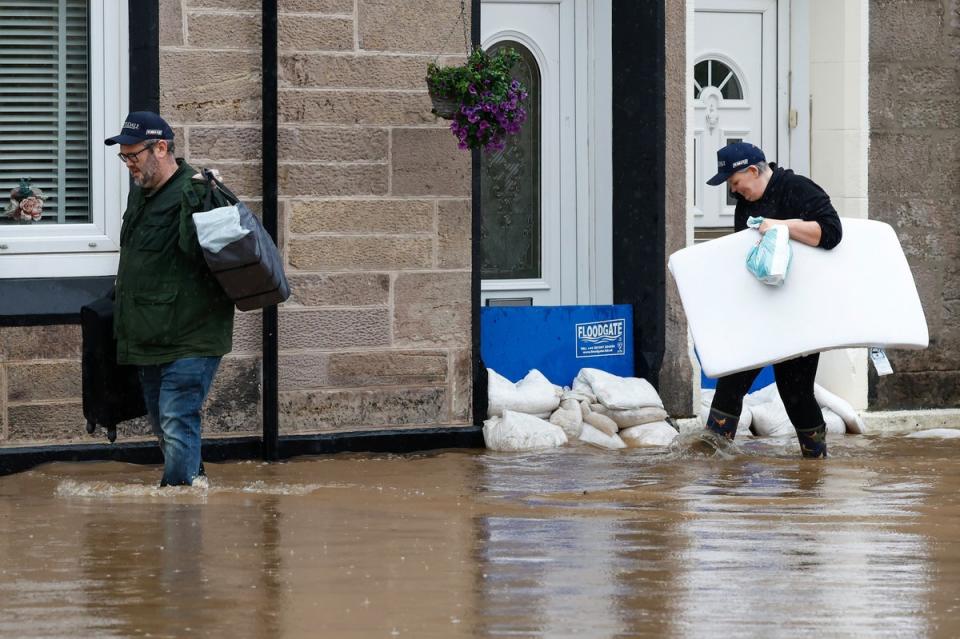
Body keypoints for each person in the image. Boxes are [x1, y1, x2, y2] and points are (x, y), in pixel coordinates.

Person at [105, 112, 234, 486]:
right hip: (149, 334)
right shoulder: (140, 192)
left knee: (178, 420)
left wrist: (209, 202)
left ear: (160, 148)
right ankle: (194, 486)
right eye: (124, 157)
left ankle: (178, 512)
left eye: (134, 156)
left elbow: (212, 256)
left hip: (191, 334)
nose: (128, 164)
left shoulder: (196, 191)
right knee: (165, 426)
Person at [703, 141, 843, 458]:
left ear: (753, 170)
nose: (734, 192)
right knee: (732, 380)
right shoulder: (746, 206)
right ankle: (710, 456)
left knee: (795, 391)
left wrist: (780, 226)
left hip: (801, 310)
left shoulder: (797, 188)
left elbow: (832, 233)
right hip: (762, 308)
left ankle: (816, 460)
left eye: (735, 183)